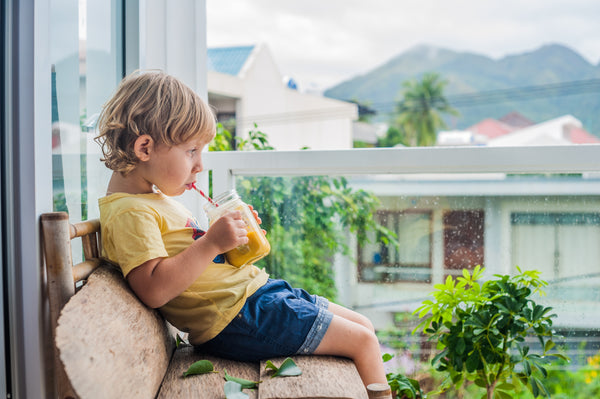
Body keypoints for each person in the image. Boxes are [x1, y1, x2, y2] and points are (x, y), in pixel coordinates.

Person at [94, 70, 387, 388]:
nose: (199, 165)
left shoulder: (153, 200)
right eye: (191, 151)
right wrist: (211, 243)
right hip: (238, 317)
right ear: (145, 148)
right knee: (363, 342)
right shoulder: (130, 213)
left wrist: (232, 241)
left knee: (364, 326)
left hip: (255, 298)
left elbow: (201, 271)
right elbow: (154, 290)